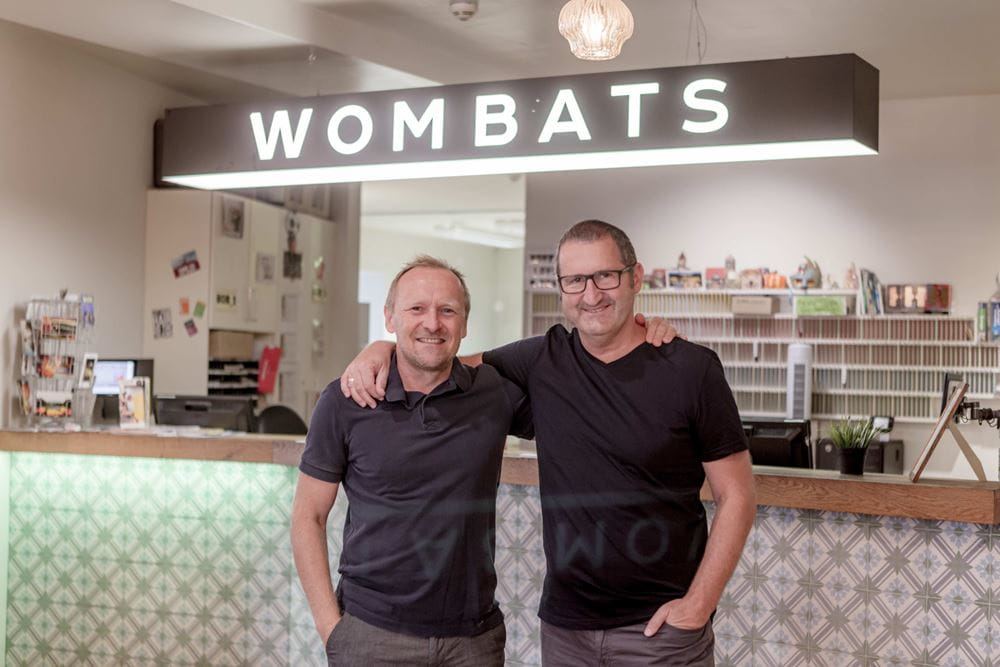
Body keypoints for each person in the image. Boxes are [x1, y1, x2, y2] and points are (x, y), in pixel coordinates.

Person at [342, 220, 756, 666]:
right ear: (560, 288)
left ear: (635, 278)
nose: (591, 294)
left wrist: (697, 606)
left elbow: (737, 495)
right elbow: (437, 363)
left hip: (660, 634)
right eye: (575, 280)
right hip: (565, 632)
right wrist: (381, 349)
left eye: (605, 276)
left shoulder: (691, 369)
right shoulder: (541, 359)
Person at [291, 256, 534, 666]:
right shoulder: (346, 399)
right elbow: (307, 516)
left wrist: (640, 335)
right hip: (371, 636)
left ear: (465, 324)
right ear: (390, 317)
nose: (432, 323)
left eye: (447, 311)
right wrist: (331, 629)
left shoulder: (493, 393)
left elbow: (569, 386)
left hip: (473, 641)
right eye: (416, 308)